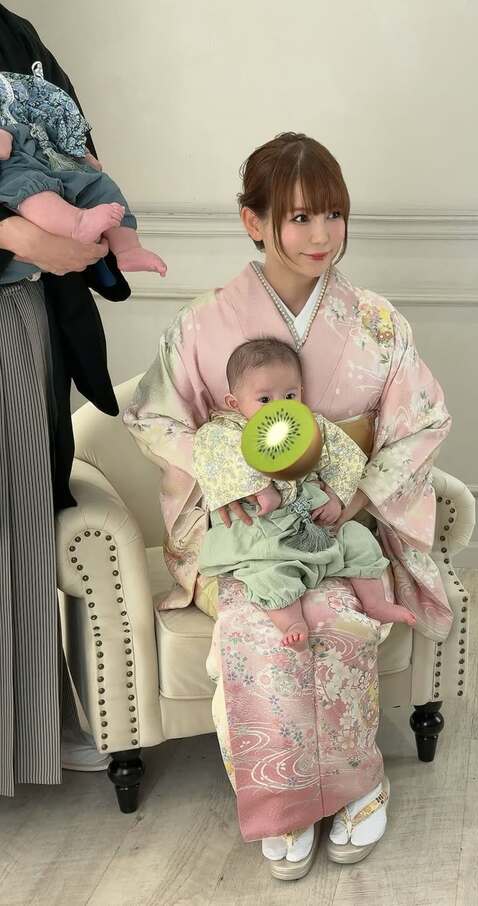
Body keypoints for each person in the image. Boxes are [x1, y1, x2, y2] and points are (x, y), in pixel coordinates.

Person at [125, 132, 453, 879]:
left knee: (338, 620)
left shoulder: (375, 322)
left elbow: (423, 419)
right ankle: (285, 800)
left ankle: (359, 786)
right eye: (299, 217)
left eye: (333, 214)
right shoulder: (205, 322)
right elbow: (153, 417)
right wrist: (232, 477)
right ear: (254, 220)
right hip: (247, 535)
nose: (321, 235)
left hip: (337, 528)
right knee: (259, 631)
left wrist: (357, 493)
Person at [0, 3, 133, 798]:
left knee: (23, 511)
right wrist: (13, 234)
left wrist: (74, 220)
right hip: (13, 268)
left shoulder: (15, 34)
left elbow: (70, 139)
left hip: (20, 307)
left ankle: (30, 725)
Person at [194, 337, 417, 650]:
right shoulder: (225, 432)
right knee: (267, 575)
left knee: (358, 539)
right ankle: (291, 622)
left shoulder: (312, 426)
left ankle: (375, 603)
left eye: (289, 396)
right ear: (235, 403)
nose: (280, 407)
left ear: (301, 391)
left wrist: (336, 498)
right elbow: (210, 456)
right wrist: (260, 488)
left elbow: (345, 458)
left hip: (312, 523)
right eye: (264, 399)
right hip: (264, 534)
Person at [0, 66, 167, 279]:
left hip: (50, 166)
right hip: (16, 177)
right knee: (32, 191)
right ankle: (77, 223)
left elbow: (58, 126)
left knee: (100, 186)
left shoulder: (26, 78)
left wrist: (81, 153)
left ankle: (128, 248)